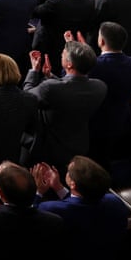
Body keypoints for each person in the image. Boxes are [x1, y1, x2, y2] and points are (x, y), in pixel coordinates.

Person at [31, 156, 130, 260]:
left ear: (73, 184)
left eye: (68, 172)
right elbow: (78, 205)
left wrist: (38, 192)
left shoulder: (51, 209)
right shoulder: (114, 202)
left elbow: (29, 219)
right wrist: (58, 187)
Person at [23, 41, 108, 170]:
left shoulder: (50, 88)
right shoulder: (100, 86)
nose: (61, 56)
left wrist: (34, 71)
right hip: (79, 145)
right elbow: (72, 89)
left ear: (69, 64)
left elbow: (27, 98)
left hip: (49, 150)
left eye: (63, 54)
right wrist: (50, 76)